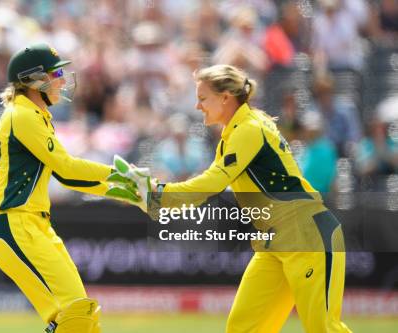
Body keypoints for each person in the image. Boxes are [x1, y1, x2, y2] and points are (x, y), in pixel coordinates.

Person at [128, 64, 352, 332]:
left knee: (323, 328)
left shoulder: (248, 129)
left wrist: (158, 195)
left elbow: (212, 183)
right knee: (243, 328)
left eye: (202, 98)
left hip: (306, 236)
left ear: (225, 97)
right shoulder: (238, 130)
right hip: (274, 243)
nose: (198, 107)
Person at [0, 43, 140, 333]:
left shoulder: (36, 115)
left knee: (83, 315)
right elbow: (67, 167)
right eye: (56, 73)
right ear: (33, 80)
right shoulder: (22, 115)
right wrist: (120, 176)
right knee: (73, 314)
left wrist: (123, 190)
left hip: (33, 226)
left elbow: (67, 177)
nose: (62, 80)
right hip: (15, 225)